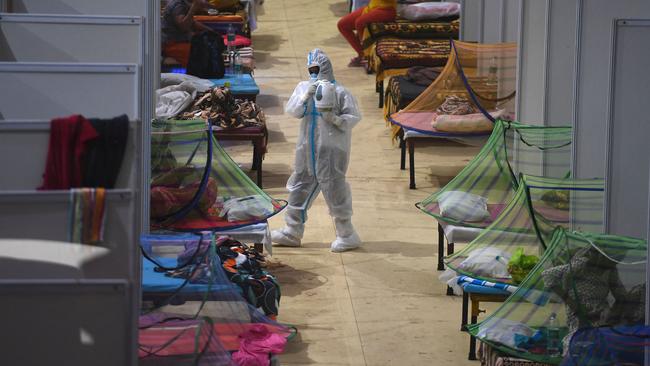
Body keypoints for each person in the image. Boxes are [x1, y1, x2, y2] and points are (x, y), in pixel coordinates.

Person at [271, 49, 362, 253]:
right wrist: (305, 96)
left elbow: (353, 117)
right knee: (299, 185)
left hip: (331, 150)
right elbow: (294, 111)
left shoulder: (340, 92)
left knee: (334, 188)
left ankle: (347, 235)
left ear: (325, 67)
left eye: (316, 68)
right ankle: (292, 230)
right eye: (310, 69)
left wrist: (336, 120)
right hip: (306, 149)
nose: (313, 72)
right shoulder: (304, 87)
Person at [337, 0, 397, 67]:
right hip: (371, 7)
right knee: (342, 24)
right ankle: (362, 54)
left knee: (359, 23)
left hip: (387, 9)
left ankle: (366, 56)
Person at [161, 0, 217, 67]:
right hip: (173, 44)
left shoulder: (184, 3)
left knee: (207, 49)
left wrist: (211, 31)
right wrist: (194, 7)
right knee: (203, 55)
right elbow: (184, 25)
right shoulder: (178, 4)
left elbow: (192, 23)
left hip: (180, 42)